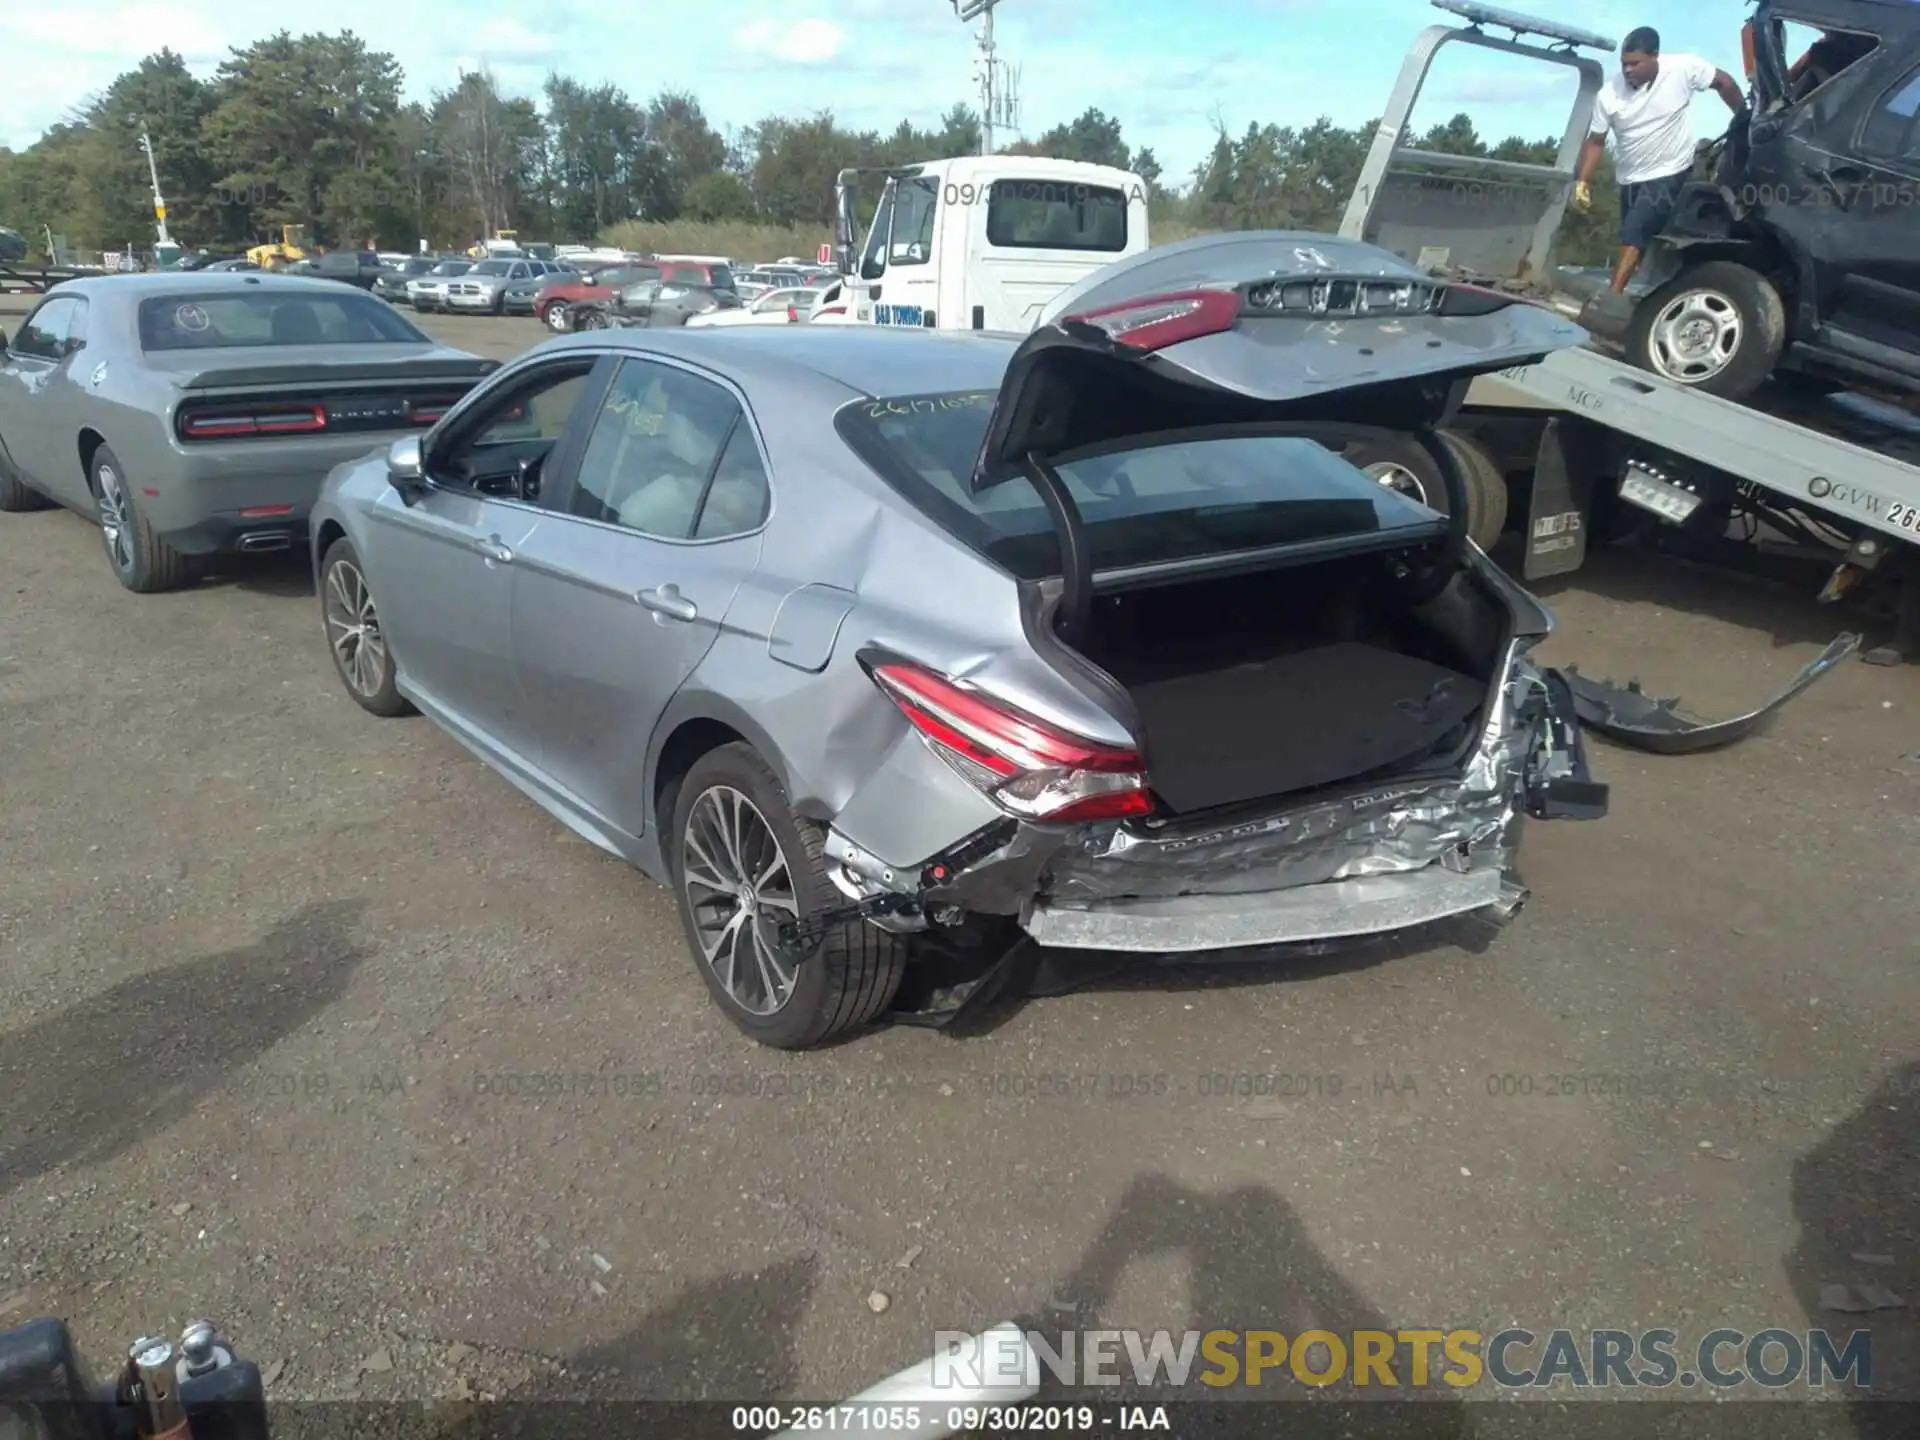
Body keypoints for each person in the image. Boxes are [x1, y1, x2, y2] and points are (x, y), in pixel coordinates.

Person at [1571, 26, 1747, 303]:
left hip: (1670, 169)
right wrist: (1583, 181)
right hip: (1630, 176)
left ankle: (1611, 300)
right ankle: (1643, 296)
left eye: (1635, 63)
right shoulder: (1608, 95)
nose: (1628, 70)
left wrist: (1744, 116)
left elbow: (1724, 82)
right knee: (1636, 236)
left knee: (1635, 232)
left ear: (1655, 56)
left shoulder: (1683, 68)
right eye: (1624, 64)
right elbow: (1596, 141)